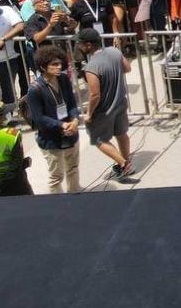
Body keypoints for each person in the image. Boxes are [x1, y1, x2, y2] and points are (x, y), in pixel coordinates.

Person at [77, 28, 136, 184]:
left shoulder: (91, 67)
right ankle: (125, 162)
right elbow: (128, 68)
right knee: (121, 133)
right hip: (121, 103)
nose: (78, 47)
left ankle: (124, 164)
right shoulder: (114, 52)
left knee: (98, 138)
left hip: (104, 109)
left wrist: (89, 113)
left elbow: (95, 95)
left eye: (80, 44)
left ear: (88, 45)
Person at [25, 45, 81, 193]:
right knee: (56, 176)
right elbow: (39, 118)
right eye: (54, 64)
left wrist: (75, 120)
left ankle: (75, 196)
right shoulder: (35, 89)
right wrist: (62, 125)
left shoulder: (63, 79)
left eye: (60, 63)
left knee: (73, 168)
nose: (59, 67)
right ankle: (58, 203)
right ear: (43, 67)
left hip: (71, 132)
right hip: (51, 138)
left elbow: (72, 104)